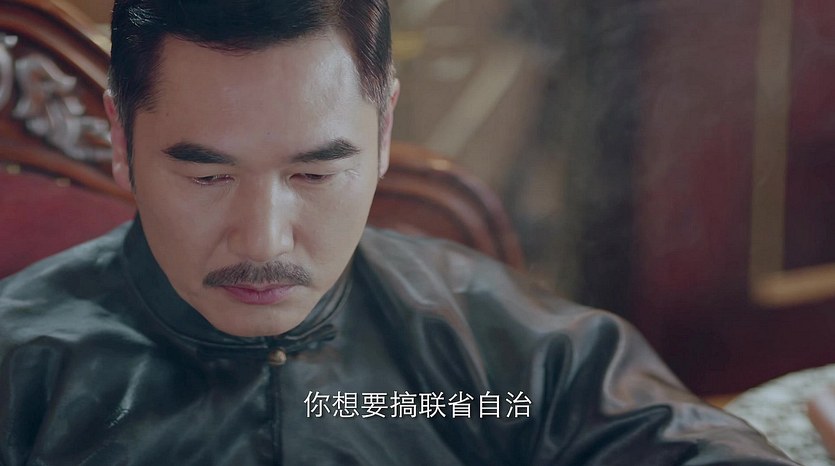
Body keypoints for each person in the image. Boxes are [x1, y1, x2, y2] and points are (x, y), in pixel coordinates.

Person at [0, 0, 797, 464]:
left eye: (314, 174)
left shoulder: (497, 349)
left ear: (382, 131)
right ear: (119, 139)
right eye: (207, 177)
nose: (264, 242)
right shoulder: (22, 373)